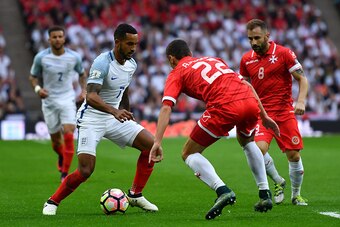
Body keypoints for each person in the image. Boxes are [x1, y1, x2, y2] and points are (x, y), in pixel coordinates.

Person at [149, 39, 280, 220]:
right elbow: (247, 84)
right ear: (190, 54)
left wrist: (157, 141)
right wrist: (264, 116)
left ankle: (222, 190)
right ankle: (265, 194)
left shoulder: (176, 72)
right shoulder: (214, 59)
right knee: (247, 142)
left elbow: (166, 107)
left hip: (224, 106)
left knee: (188, 153)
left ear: (171, 59)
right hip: (249, 100)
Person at [42, 23, 159, 215]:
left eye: (135, 44)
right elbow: (91, 96)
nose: (133, 48)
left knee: (151, 147)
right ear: (117, 42)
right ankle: (52, 202)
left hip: (115, 116)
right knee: (86, 170)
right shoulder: (102, 62)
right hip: (92, 118)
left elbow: (124, 87)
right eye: (129, 44)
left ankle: (136, 194)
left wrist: (125, 111)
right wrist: (114, 111)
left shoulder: (132, 64)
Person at [239, 19, 309, 206]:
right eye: (250, 39)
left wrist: (301, 101)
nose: (253, 42)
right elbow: (243, 87)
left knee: (293, 155)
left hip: (285, 112)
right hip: (263, 114)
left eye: (257, 38)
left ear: (267, 36)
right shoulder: (246, 59)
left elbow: (302, 79)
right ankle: (278, 181)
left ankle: (296, 195)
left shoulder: (284, 53)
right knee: (258, 150)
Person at [29, 26, 87, 181]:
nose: (57, 39)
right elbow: (33, 76)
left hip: (67, 98)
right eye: (54, 37)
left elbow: (82, 74)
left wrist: (84, 90)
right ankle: (62, 156)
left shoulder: (74, 57)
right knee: (56, 141)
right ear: (49, 39)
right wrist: (37, 89)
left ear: (64, 38)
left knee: (68, 132)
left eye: (60, 36)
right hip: (49, 101)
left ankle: (64, 174)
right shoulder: (41, 57)